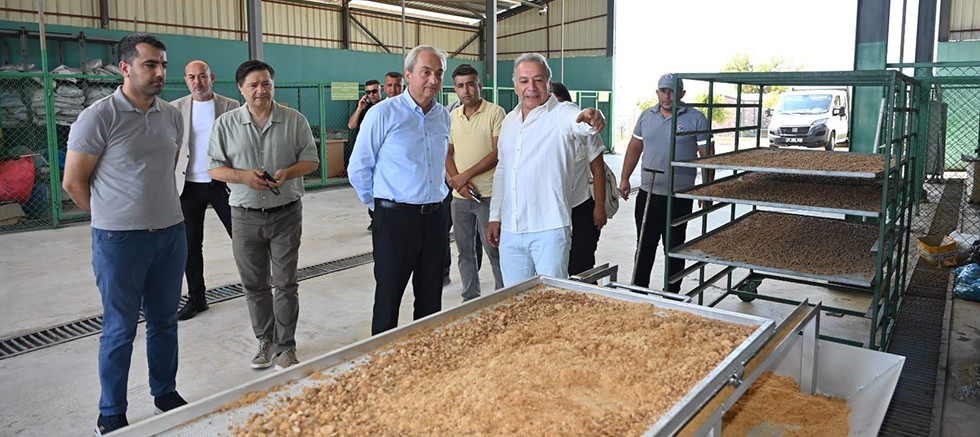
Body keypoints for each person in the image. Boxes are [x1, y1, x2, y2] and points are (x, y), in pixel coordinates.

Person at [63, 32, 188, 435]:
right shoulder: (98, 117)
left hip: (170, 234)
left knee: (165, 321)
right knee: (120, 328)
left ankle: (165, 392)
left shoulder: (172, 115)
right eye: (150, 64)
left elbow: (166, 167)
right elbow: (73, 182)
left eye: (163, 65)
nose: (159, 72)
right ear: (125, 68)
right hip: (119, 241)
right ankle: (111, 411)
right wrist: (111, 216)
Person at [207, 60, 319, 371]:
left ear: (273, 85)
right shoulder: (226, 124)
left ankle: (286, 346)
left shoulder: (294, 120)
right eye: (253, 85)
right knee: (254, 283)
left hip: (286, 214)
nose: (261, 90)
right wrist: (243, 176)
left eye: (266, 83)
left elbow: (311, 160)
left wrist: (288, 173)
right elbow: (214, 168)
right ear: (241, 89)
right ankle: (265, 340)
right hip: (244, 216)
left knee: (285, 282)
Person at [348, 45, 452, 335]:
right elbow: (359, 168)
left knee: (431, 297)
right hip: (395, 220)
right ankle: (383, 356)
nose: (433, 79)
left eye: (439, 73)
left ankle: (425, 353)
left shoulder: (443, 116)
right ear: (408, 74)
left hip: (436, 218)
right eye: (426, 72)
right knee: (388, 296)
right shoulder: (383, 113)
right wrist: (380, 207)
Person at [486, 53, 606, 286]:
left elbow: (577, 121)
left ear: (549, 83)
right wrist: (494, 216)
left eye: (538, 80)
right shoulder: (509, 122)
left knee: (552, 299)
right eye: (524, 81)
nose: (531, 87)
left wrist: (589, 117)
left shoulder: (560, 113)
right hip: (511, 229)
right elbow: (502, 170)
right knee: (515, 298)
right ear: (515, 85)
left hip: (549, 229)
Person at [619, 73, 711, 292]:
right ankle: (639, 291)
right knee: (644, 245)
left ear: (682, 93)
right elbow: (635, 147)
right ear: (657, 92)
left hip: (678, 197)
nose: (667, 96)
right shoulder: (646, 116)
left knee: (674, 247)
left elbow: (707, 155)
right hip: (648, 194)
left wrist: (706, 190)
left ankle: (672, 294)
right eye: (663, 91)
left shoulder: (696, 118)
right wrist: (624, 177)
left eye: (672, 91)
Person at [170, 60, 240, 321]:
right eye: (191, 77)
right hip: (188, 185)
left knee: (242, 238)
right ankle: (197, 298)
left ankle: (258, 288)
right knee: (190, 246)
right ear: (186, 80)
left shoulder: (230, 106)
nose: (197, 82)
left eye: (202, 76)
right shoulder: (175, 108)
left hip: (222, 183)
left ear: (212, 77)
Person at [446, 63, 505, 301]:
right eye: (460, 86)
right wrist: (459, 184)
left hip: (488, 196)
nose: (466, 90)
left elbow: (497, 153)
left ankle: (503, 296)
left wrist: (464, 175)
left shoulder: (495, 113)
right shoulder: (453, 116)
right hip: (460, 198)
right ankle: (470, 296)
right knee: (464, 252)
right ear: (455, 89)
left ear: (479, 86)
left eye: (470, 84)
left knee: (494, 249)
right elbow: (447, 152)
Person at [552, 82, 608, 276]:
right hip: (553, 211)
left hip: (580, 206)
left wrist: (599, 206)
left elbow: (598, 171)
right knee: (555, 267)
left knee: (581, 267)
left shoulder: (584, 131)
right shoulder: (542, 131)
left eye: (559, 103)